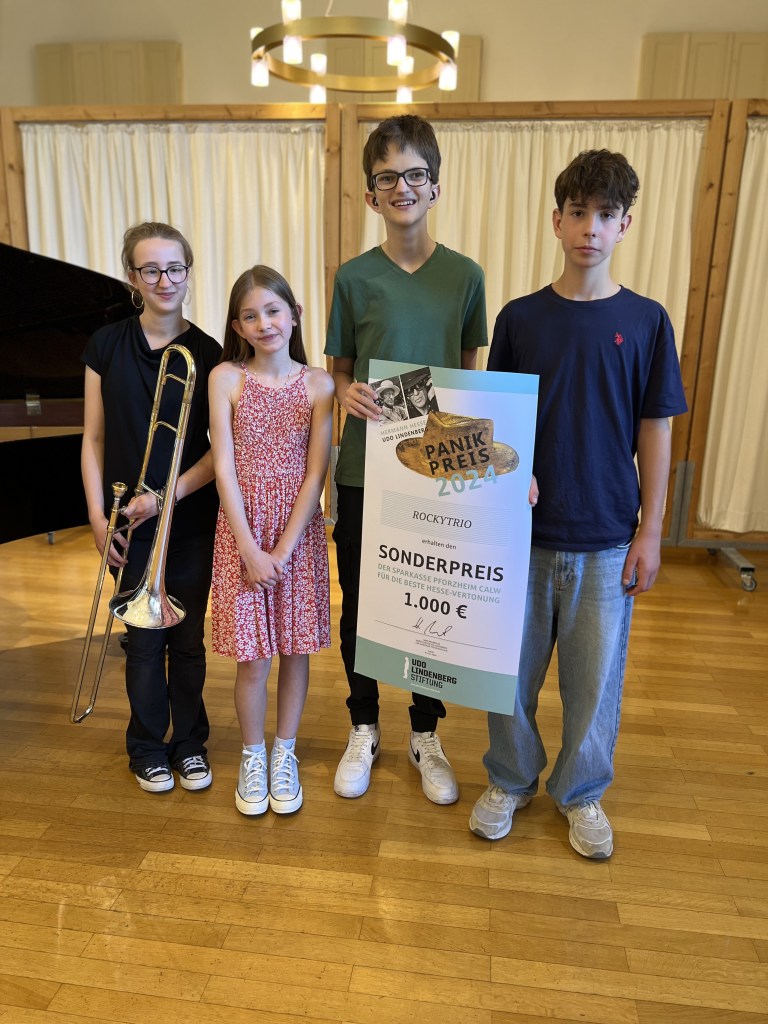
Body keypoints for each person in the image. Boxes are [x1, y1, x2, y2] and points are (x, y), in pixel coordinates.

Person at [469, 149, 688, 858]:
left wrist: (651, 531)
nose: (590, 227)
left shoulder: (647, 321)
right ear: (557, 221)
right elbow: (495, 423)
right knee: (510, 674)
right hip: (523, 535)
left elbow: (656, 429)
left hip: (606, 536)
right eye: (578, 212)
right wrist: (510, 473)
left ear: (625, 225)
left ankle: (582, 791)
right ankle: (510, 778)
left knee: (594, 682)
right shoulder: (520, 318)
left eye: (605, 215)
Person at [325, 114, 487, 804]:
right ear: (371, 195)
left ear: (435, 185)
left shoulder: (466, 277)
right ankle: (364, 725)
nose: (402, 187)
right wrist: (346, 392)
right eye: (386, 177)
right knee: (362, 603)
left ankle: (426, 732)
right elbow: (337, 372)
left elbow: (470, 375)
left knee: (431, 602)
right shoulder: (353, 278)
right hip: (367, 469)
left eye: (414, 174)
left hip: (439, 472)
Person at [81, 222, 220, 794]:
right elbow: (92, 438)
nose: (165, 280)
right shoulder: (105, 345)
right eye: (151, 269)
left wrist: (166, 495)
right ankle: (145, 745)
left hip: (188, 520)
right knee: (141, 642)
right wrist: (97, 516)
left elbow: (220, 453)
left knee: (186, 641)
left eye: (175, 268)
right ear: (131, 277)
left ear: (188, 272)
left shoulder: (209, 353)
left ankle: (189, 743)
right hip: (127, 523)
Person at [209, 265, 334, 817]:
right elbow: (224, 469)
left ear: (295, 315)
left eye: (273, 310)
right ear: (238, 326)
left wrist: (281, 551)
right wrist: (250, 549)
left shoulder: (320, 384)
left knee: (294, 649)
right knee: (253, 658)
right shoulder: (225, 378)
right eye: (250, 315)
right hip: (243, 530)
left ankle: (285, 752)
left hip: (297, 535)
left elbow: (315, 473)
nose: (264, 323)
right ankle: (253, 755)